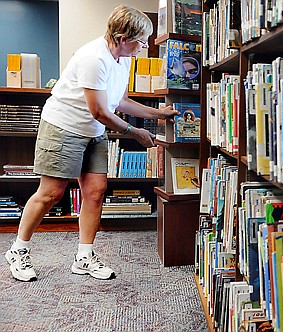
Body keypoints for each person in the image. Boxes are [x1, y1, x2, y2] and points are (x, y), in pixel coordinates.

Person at [4, 5, 179, 282]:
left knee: (96, 192)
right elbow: (99, 110)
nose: (145, 46)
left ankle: (84, 257)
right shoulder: (93, 58)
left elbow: (120, 102)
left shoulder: (124, 59)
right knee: (51, 193)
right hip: (63, 126)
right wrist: (134, 132)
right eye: (141, 40)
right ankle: (18, 250)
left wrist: (159, 114)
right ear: (123, 38)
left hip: (93, 130)